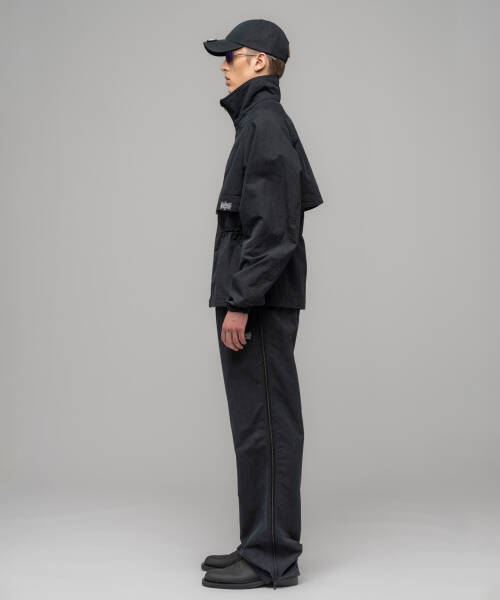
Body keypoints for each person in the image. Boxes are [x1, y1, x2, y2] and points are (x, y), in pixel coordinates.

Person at [201, 19, 324, 590]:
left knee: (268, 426)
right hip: (255, 299)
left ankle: (272, 557)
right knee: (257, 426)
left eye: (231, 56)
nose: (223, 65)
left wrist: (242, 301)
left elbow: (274, 228)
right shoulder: (257, 122)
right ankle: (259, 541)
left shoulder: (266, 124)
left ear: (258, 62)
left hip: (260, 305)